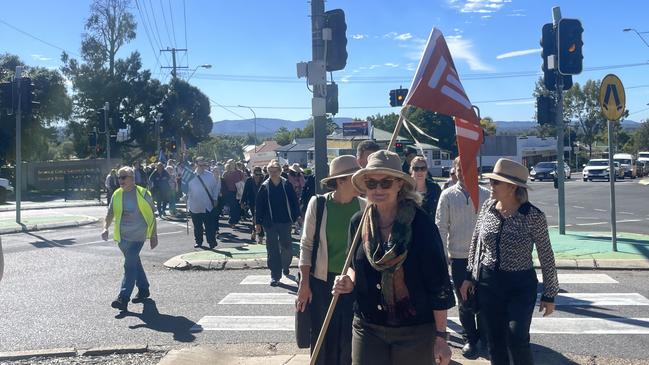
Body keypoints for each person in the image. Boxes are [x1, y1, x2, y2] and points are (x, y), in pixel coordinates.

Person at [333, 150, 455, 365]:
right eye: (371, 183)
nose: (378, 189)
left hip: (415, 331)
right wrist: (348, 280)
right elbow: (353, 264)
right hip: (367, 325)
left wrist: (441, 337)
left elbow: (439, 284)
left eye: (386, 182)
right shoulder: (358, 222)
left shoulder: (421, 224)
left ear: (400, 184)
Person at [460, 158, 559, 365]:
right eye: (491, 181)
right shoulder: (488, 207)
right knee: (495, 341)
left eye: (496, 182)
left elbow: (546, 256)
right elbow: (476, 241)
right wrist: (469, 276)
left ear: (513, 187)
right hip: (489, 283)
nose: (490, 186)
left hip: (520, 285)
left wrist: (550, 294)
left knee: (516, 338)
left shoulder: (533, 216)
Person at [296, 155, 365, 365]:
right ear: (341, 181)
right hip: (322, 282)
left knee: (348, 338)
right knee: (322, 336)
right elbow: (306, 245)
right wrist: (304, 284)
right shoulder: (318, 204)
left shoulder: (365, 206)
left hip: (352, 283)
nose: (360, 182)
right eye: (355, 177)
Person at [435, 157, 491, 359]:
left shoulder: (486, 194)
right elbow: (441, 227)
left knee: (485, 299)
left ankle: (485, 336)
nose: (462, 172)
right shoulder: (448, 196)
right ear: (454, 170)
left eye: (467, 168)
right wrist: (442, 256)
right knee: (464, 300)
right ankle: (470, 338)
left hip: (484, 257)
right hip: (458, 257)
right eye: (459, 168)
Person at [101, 166, 158, 312]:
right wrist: (105, 228)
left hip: (138, 236)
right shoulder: (117, 194)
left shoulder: (143, 193)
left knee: (129, 265)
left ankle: (123, 298)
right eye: (119, 177)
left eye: (123, 177)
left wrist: (153, 235)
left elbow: (152, 215)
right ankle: (144, 289)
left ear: (132, 178)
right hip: (122, 238)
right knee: (134, 263)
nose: (120, 180)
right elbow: (110, 213)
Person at [255, 159, 301, 286]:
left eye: (275, 171)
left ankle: (285, 265)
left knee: (286, 246)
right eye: (270, 171)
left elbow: (294, 202)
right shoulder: (264, 186)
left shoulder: (286, 185)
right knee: (272, 248)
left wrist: (298, 216)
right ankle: (275, 275)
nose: (273, 174)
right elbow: (259, 206)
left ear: (280, 171)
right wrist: (257, 222)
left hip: (285, 221)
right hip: (269, 223)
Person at [187, 157, 221, 249]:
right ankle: (198, 242)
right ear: (196, 165)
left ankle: (212, 242)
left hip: (207, 205)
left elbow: (215, 188)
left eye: (204, 165)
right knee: (197, 226)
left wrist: (215, 199)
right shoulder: (190, 176)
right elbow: (186, 190)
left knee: (209, 226)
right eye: (200, 165)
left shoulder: (210, 176)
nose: (202, 167)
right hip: (195, 206)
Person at [242, 166, 265, 243]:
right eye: (256, 174)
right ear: (253, 173)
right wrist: (242, 201)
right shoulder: (249, 180)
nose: (258, 176)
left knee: (259, 218)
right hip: (252, 202)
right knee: (255, 218)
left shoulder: (264, 180)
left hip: (261, 202)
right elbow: (245, 192)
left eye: (259, 174)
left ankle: (256, 233)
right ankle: (258, 234)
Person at [221, 160, 245, 227]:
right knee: (233, 206)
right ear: (228, 164)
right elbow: (222, 182)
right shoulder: (226, 173)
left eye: (234, 163)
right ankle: (232, 221)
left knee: (237, 206)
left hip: (238, 191)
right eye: (231, 163)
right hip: (229, 192)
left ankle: (235, 219)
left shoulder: (239, 172)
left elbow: (243, 180)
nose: (233, 165)